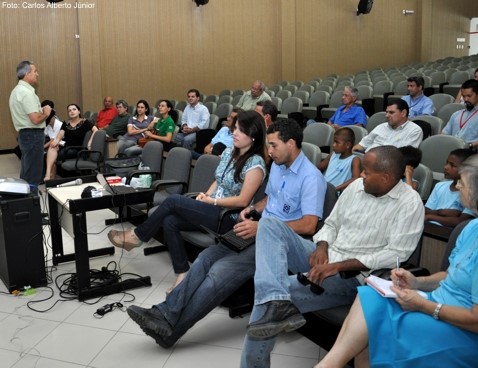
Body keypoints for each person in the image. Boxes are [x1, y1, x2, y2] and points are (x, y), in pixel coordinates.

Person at [123, 118, 326, 349]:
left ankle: (169, 328)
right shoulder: (280, 167)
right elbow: (270, 198)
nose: (269, 151)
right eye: (268, 145)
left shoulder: (311, 178)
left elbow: (309, 225)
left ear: (291, 143)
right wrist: (253, 208)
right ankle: (164, 314)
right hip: (256, 228)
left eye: (273, 145)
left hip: (275, 243)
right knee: (205, 258)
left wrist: (262, 227)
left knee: (218, 274)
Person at [241, 145, 425, 368]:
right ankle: (276, 298)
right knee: (269, 225)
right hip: (326, 256)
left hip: (354, 276)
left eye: (366, 172)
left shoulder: (410, 203)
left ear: (386, 177)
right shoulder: (357, 186)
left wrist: (337, 266)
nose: (361, 176)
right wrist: (321, 247)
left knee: (268, 300)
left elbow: (395, 254)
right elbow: (331, 224)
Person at [315, 154, 478, 368]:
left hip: (460, 327)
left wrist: (425, 305)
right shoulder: (471, 228)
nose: (457, 186)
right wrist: (417, 282)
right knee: (372, 294)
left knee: (378, 324)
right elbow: (450, 275)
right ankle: (330, 364)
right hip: (437, 300)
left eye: (462, 183)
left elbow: (475, 320)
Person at [108, 110, 267, 291]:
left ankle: (137, 236)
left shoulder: (255, 163)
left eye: (241, 131)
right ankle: (182, 274)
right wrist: (205, 196)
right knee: (170, 221)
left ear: (253, 135)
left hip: (228, 218)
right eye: (235, 128)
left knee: (173, 201)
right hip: (212, 208)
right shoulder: (230, 151)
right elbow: (218, 179)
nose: (234, 133)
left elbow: (243, 201)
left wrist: (211, 202)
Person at [9, 60, 52, 192]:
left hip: (27, 135)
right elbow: (35, 119)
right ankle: (32, 207)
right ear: (27, 73)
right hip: (33, 135)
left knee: (27, 172)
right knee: (33, 174)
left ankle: (25, 206)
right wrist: (46, 113)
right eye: (35, 71)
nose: (37, 74)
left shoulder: (17, 90)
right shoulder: (26, 93)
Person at [44, 104, 98, 180]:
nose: (72, 111)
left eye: (74, 109)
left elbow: (96, 130)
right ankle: (48, 176)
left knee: (51, 157)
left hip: (75, 148)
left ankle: (49, 178)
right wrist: (56, 140)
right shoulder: (66, 123)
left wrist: (90, 141)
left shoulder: (85, 122)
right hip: (65, 145)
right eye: (69, 110)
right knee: (52, 147)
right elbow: (61, 133)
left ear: (79, 111)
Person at [424, 148, 475, 227]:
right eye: (447, 163)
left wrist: (430, 217)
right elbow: (426, 211)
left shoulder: (473, 194)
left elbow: (459, 222)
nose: (446, 167)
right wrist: (441, 212)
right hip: (429, 228)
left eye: (452, 165)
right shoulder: (440, 186)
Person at [353, 100, 423, 152]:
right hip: (366, 159)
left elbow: (404, 157)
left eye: (391, 112)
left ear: (403, 113)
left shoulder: (414, 130)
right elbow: (361, 145)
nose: (387, 115)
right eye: (386, 112)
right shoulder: (381, 127)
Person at [318, 127, 361, 193]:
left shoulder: (354, 159)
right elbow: (318, 168)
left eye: (337, 142)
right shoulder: (333, 154)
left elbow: (355, 179)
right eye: (333, 142)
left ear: (347, 145)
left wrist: (335, 189)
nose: (333, 145)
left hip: (335, 193)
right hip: (323, 189)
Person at [442, 79, 478, 151]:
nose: (466, 99)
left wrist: (470, 145)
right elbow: (444, 134)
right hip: (452, 150)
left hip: (471, 152)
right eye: (464, 96)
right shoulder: (456, 114)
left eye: (469, 96)